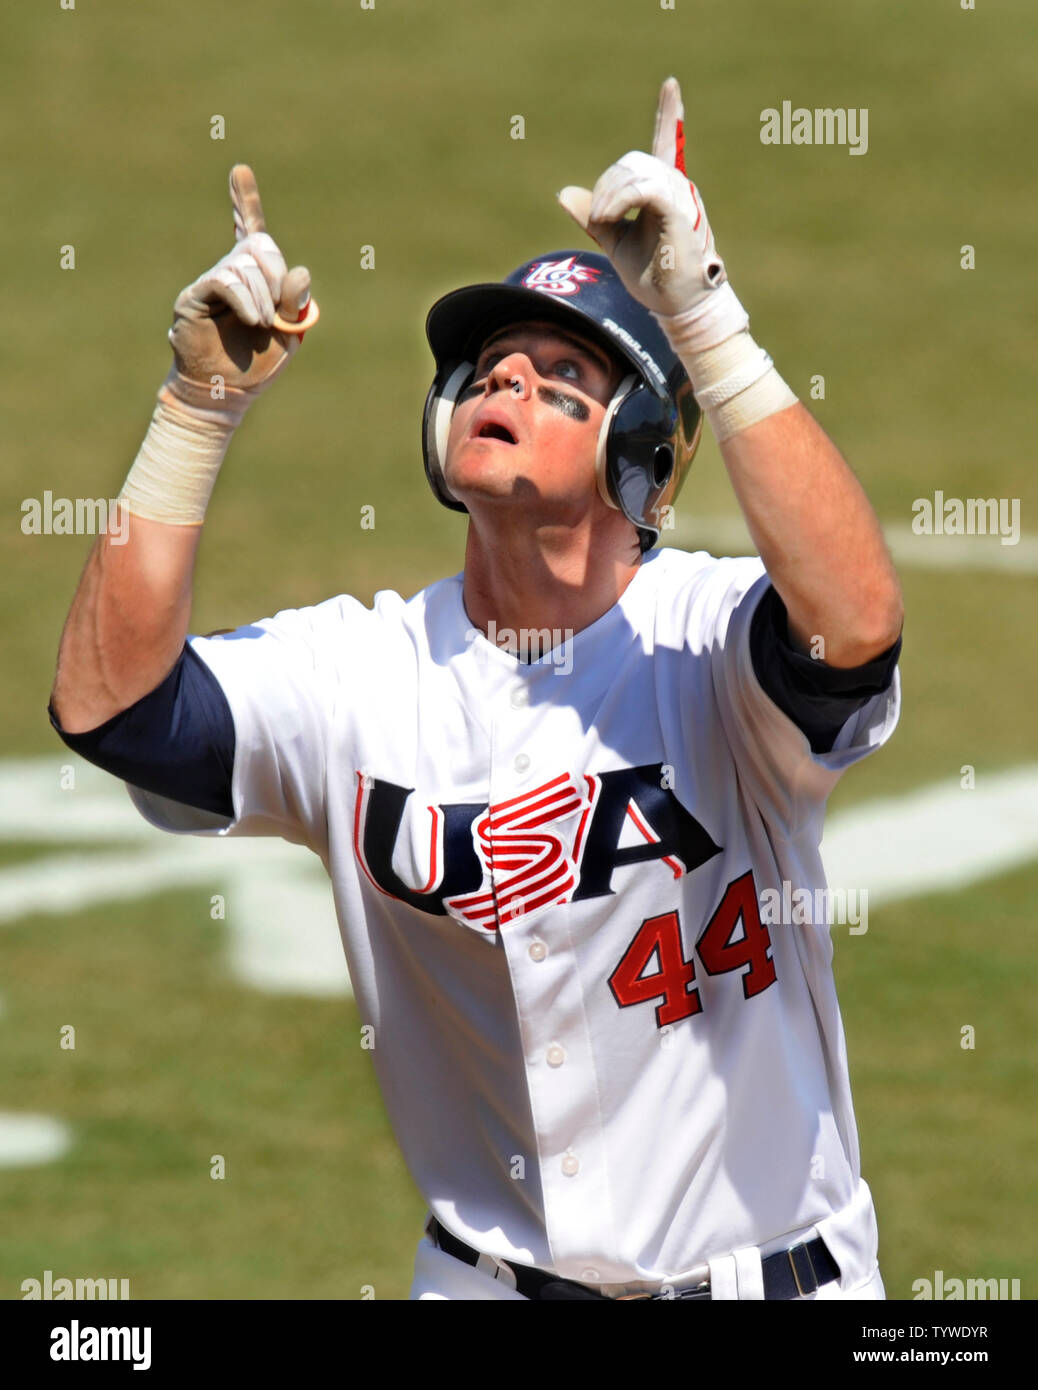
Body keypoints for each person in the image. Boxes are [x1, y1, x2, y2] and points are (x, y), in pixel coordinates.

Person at [50, 79, 903, 1300]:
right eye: (490, 369)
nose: (508, 385)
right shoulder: (358, 674)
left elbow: (855, 627)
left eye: (563, 380)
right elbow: (115, 711)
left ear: (640, 452)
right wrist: (195, 412)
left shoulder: (704, 642)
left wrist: (704, 319)